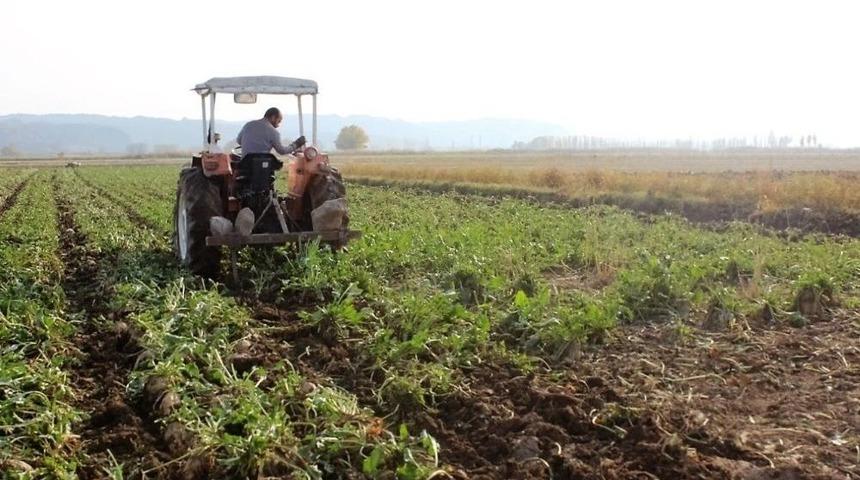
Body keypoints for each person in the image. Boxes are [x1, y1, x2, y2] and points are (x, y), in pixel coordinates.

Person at [236, 107, 305, 157]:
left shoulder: (248, 125)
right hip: (262, 167)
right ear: (273, 117)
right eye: (278, 121)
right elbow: (282, 151)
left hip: (245, 166)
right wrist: (295, 145)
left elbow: (239, 141)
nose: (278, 125)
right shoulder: (274, 132)